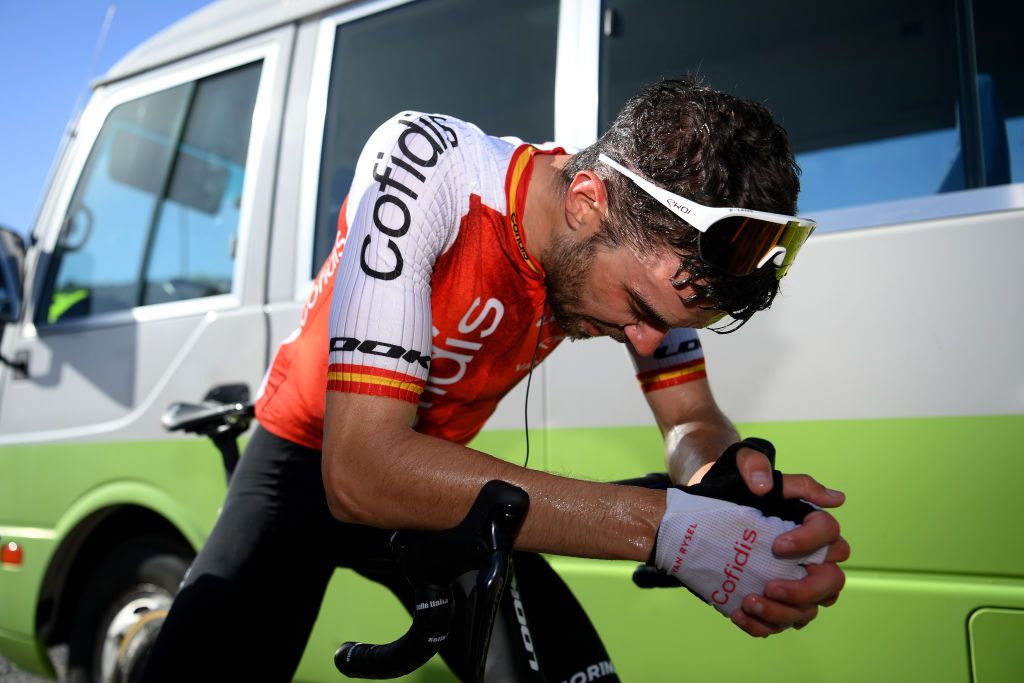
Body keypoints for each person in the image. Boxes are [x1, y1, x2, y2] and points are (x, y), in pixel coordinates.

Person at [141, 78, 848, 682]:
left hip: (440, 484)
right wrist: (668, 529)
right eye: (635, 309)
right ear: (587, 202)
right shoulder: (433, 166)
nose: (644, 339)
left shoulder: (657, 257)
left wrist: (726, 485)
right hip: (309, 456)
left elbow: (690, 420)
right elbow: (360, 470)